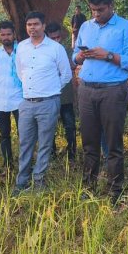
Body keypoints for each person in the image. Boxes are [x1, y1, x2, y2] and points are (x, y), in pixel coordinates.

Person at [74, 0, 128, 205]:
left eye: (101, 10)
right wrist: (81, 56)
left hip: (113, 91)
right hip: (86, 89)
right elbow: (75, 55)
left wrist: (108, 55)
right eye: (93, 10)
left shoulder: (126, 28)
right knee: (89, 143)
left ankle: (115, 190)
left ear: (111, 6)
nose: (96, 14)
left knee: (113, 144)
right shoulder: (85, 26)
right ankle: (89, 187)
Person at [12, 12, 73, 195]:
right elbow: (20, 72)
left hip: (48, 103)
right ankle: (21, 182)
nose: (32, 28)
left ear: (43, 26)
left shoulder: (55, 48)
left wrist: (51, 91)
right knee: (25, 144)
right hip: (26, 103)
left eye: (36, 24)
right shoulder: (22, 47)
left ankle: (39, 182)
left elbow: (66, 75)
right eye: (29, 24)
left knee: (45, 144)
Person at [0, 20, 24, 171]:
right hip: (1, 103)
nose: (6, 37)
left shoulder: (22, 51)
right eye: (3, 35)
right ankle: (8, 162)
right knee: (4, 135)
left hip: (20, 101)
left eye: (8, 34)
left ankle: (24, 162)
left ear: (14, 34)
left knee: (24, 135)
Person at [46, 22, 77, 163]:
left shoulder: (67, 50)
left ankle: (72, 153)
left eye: (58, 37)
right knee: (49, 125)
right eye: (52, 38)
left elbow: (72, 68)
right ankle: (51, 153)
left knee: (69, 124)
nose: (56, 40)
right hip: (48, 95)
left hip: (66, 94)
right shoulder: (42, 51)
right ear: (47, 37)